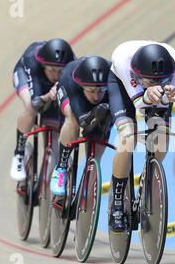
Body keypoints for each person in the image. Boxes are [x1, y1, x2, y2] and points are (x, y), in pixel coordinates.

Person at [108, 40, 175, 232]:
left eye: (161, 81)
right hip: (122, 87)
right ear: (138, 75)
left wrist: (168, 95)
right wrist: (151, 93)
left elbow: (163, 102)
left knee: (163, 138)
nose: (157, 84)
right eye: (151, 81)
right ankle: (117, 203)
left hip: (149, 91)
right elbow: (140, 106)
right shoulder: (122, 60)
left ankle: (149, 177)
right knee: (128, 138)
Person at [10, 39, 75, 181]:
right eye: (52, 70)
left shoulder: (72, 66)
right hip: (27, 76)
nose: (56, 75)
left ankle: (50, 169)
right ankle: (19, 154)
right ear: (43, 65)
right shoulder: (32, 61)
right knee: (30, 107)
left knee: (54, 125)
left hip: (51, 86)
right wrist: (47, 96)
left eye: (60, 71)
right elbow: (36, 102)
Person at [50, 56, 113, 200]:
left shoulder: (114, 81)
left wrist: (104, 122)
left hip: (101, 102)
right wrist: (94, 115)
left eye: (100, 90)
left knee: (103, 130)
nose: (96, 96)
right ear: (83, 86)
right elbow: (82, 121)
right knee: (72, 120)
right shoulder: (71, 78)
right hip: (71, 95)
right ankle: (61, 167)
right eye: (91, 90)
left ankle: (89, 177)